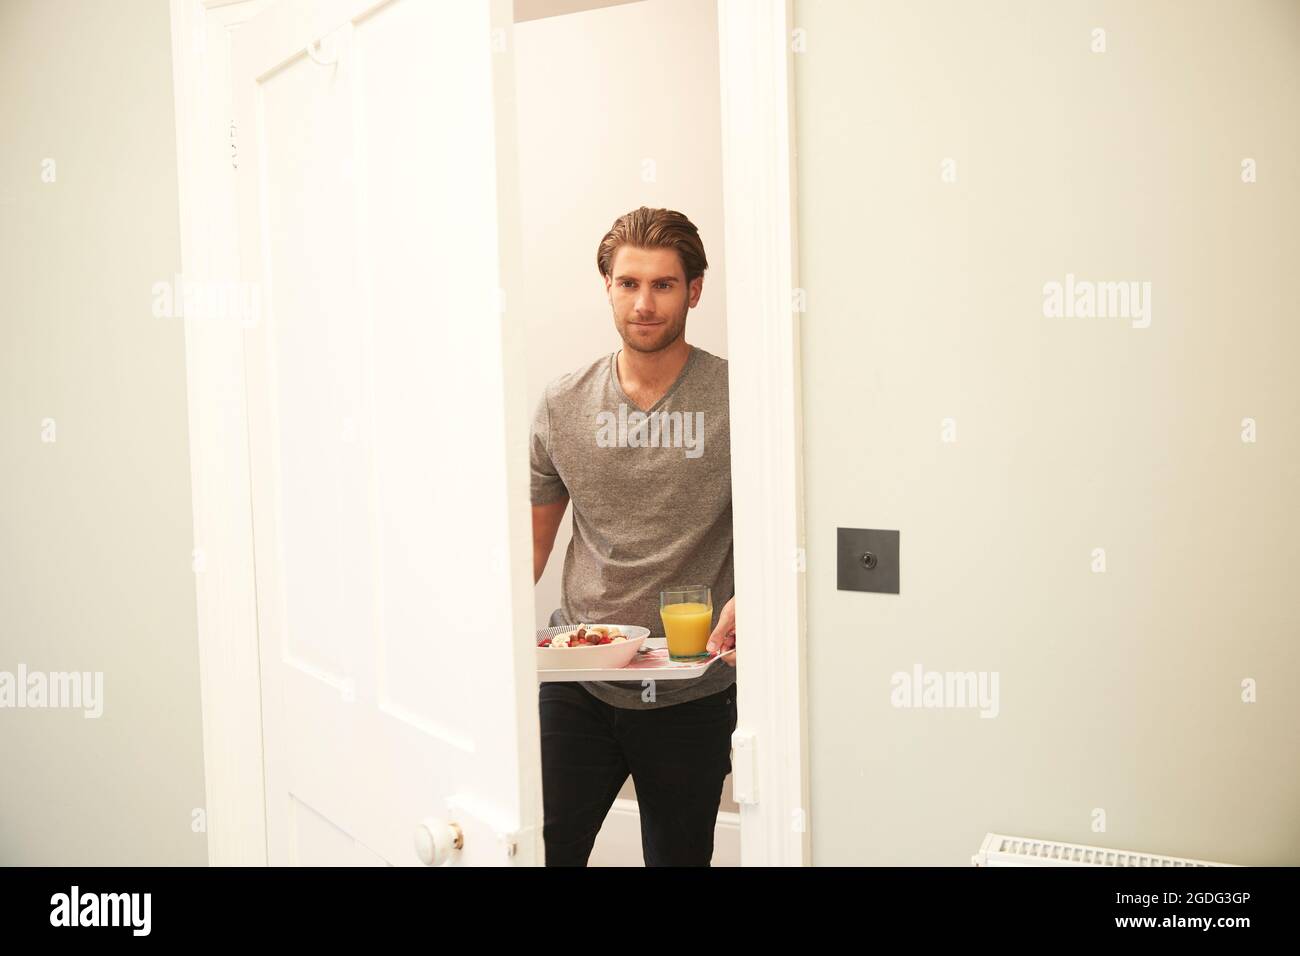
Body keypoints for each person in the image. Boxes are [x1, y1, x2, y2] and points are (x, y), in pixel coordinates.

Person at [530, 206, 737, 866]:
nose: (644, 304)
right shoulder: (563, 405)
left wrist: (755, 598)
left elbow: (787, 531)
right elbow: (528, 551)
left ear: (694, 291)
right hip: (579, 680)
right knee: (547, 851)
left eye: (664, 285)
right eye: (628, 284)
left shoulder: (741, 398)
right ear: (609, 288)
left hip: (691, 687)